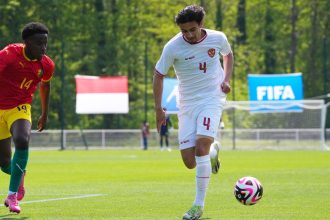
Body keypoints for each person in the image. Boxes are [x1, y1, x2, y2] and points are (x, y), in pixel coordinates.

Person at [153, 5, 233, 220]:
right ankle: (213, 151)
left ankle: (198, 206)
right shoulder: (173, 47)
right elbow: (159, 74)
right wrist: (158, 109)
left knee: (200, 148)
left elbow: (228, 55)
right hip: (186, 104)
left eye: (192, 30)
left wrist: (226, 80)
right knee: (189, 162)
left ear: (201, 25)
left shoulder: (218, 38)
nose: (188, 34)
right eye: (184, 31)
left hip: (211, 98)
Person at [0, 22, 55, 214]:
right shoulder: (8, 55)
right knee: (5, 163)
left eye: (45, 43)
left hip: (20, 107)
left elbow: (45, 86)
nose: (43, 47)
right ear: (26, 43)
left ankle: (12, 195)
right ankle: (19, 174)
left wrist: (45, 113)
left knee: (23, 140)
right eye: (39, 43)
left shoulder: (46, 64)